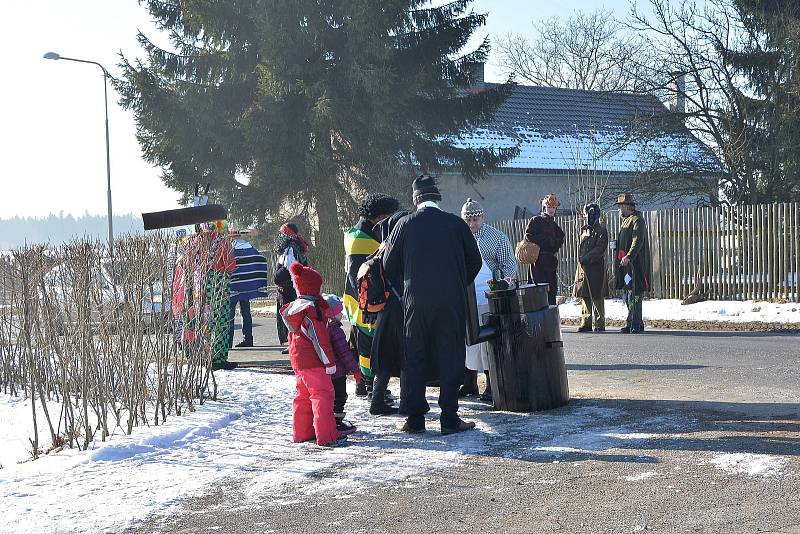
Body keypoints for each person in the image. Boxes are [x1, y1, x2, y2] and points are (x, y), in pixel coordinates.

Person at [384, 175, 482, 434]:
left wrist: (407, 286)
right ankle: (449, 418)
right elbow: (475, 261)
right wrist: (459, 283)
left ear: (415, 199)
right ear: (437, 198)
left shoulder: (404, 225)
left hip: (415, 302)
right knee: (451, 355)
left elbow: (388, 266)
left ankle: (415, 420)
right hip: (451, 301)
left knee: (414, 356)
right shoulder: (455, 224)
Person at [280, 262, 346, 446]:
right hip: (315, 363)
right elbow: (319, 340)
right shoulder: (312, 311)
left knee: (302, 397)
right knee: (322, 396)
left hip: (298, 363)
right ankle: (327, 435)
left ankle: (302, 432)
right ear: (313, 288)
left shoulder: (294, 309)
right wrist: (330, 363)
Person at [460, 198, 517, 402]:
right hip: (466, 296)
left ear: (482, 217)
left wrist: (501, 287)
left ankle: (491, 383)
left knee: (486, 342)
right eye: (468, 220)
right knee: (468, 340)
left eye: (475, 219)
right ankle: (469, 382)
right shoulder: (459, 236)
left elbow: (510, 265)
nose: (472, 224)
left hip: (488, 295)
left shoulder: (496, 238)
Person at [343, 194, 400, 398]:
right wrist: (365, 304)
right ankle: (371, 386)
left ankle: (362, 384)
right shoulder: (360, 239)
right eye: (387, 216)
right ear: (377, 216)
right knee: (368, 343)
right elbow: (356, 274)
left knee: (360, 341)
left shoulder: (363, 233)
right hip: (364, 300)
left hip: (362, 298)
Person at [369, 210, 411, 416]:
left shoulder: (380, 248)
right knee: (406, 354)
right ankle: (405, 403)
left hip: (384, 311)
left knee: (385, 356)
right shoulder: (397, 247)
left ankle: (377, 401)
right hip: (400, 308)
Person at [613, 193, 652, 334]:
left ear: (626, 206)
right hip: (626, 266)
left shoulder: (637, 220)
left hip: (636, 265)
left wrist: (629, 256)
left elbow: (637, 241)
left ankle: (636, 323)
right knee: (629, 292)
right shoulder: (627, 220)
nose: (619, 210)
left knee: (635, 293)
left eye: (620, 206)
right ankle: (631, 322)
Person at [324, 294, 363, 433]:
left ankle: (328, 421)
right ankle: (337, 423)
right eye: (339, 312)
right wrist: (356, 370)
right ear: (332, 314)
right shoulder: (336, 331)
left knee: (329, 398)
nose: (341, 314)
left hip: (327, 372)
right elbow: (345, 354)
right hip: (338, 373)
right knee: (340, 398)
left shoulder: (323, 328)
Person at [573, 204, 609, 333]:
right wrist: (582, 260)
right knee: (585, 295)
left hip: (595, 268)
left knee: (597, 296)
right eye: (588, 214)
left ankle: (600, 323)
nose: (590, 217)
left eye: (592, 215)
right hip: (583, 268)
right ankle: (586, 322)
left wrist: (587, 258)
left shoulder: (601, 231)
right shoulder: (584, 230)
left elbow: (600, 248)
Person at [525, 194, 566, 306]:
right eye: (549, 207)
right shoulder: (536, 220)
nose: (552, 210)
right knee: (538, 291)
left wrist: (554, 243)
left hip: (550, 263)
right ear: (544, 207)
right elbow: (528, 235)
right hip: (537, 262)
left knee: (551, 291)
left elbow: (561, 237)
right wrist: (547, 241)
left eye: (553, 207)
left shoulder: (553, 225)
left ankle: (550, 319)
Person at [274, 223, 309, 353]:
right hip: (289, 288)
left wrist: (296, 288)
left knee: (290, 316)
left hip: (289, 288)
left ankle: (294, 343)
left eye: (283, 233)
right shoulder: (291, 247)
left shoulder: (291, 248)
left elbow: (292, 268)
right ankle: (292, 342)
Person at [228, 239, 269, 348]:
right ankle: (248, 339)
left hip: (233, 286)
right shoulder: (250, 248)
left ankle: (228, 342)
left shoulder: (230, 248)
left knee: (230, 315)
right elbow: (260, 259)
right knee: (245, 312)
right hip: (246, 286)